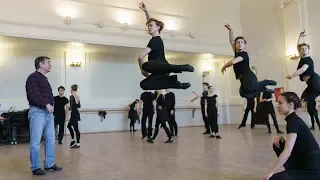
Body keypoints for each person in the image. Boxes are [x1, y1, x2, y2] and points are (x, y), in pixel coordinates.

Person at [263, 91, 320, 180]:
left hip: (311, 168)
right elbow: (295, 141)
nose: (277, 105)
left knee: (273, 179)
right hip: (304, 161)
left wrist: (271, 171)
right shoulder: (292, 119)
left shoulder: (293, 122)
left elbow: (287, 152)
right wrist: (282, 138)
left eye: (280, 103)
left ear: (290, 105)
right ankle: (293, 171)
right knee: (278, 145)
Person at [138, 1, 194, 90]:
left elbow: (140, 57)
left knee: (145, 66)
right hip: (160, 71)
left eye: (150, 26)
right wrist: (146, 11)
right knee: (144, 84)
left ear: (158, 27)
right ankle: (178, 85)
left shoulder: (156, 40)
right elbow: (152, 22)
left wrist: (142, 70)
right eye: (148, 26)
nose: (148, 27)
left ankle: (181, 67)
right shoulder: (156, 38)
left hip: (162, 66)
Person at [25, 56, 62, 175]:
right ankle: (35, 167)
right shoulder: (33, 77)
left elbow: (47, 95)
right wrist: (46, 104)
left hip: (48, 114)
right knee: (35, 141)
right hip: (37, 112)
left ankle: (49, 164)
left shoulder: (44, 79)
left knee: (51, 139)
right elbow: (33, 95)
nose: (50, 65)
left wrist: (52, 105)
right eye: (48, 63)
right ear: (41, 64)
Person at [221, 23, 277, 98]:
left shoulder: (244, 54)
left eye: (242, 42)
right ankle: (264, 90)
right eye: (238, 42)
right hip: (243, 78)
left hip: (248, 76)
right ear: (236, 45)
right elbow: (231, 41)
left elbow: (232, 62)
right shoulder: (236, 51)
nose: (240, 44)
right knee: (243, 93)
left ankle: (266, 82)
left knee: (249, 88)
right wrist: (230, 30)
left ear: (244, 45)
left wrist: (224, 67)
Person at [286, 29, 320, 104]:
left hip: (314, 81)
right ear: (299, 51)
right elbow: (298, 46)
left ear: (308, 51)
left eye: (306, 49)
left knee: (305, 98)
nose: (304, 50)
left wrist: (292, 76)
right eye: (302, 49)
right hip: (310, 83)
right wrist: (300, 37)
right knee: (304, 98)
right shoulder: (302, 58)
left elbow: (302, 69)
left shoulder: (307, 60)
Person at [66, 84, 81, 148]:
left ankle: (77, 143)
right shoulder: (77, 96)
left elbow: (71, 108)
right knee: (70, 126)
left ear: (72, 89)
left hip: (73, 114)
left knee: (75, 128)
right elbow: (79, 106)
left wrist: (68, 116)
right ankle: (74, 140)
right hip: (76, 113)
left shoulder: (71, 96)